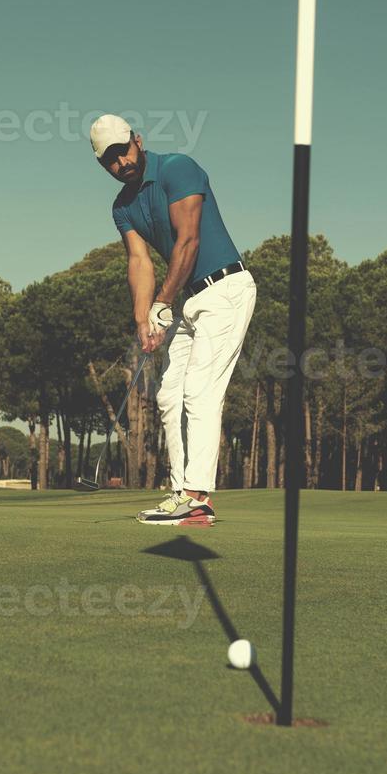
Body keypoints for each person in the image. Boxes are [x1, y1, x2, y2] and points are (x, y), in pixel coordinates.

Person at [90, 114, 257, 525]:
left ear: (138, 141)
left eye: (124, 150)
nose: (122, 162)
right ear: (102, 165)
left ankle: (198, 499)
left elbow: (189, 239)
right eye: (110, 159)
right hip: (190, 301)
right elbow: (139, 261)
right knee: (169, 395)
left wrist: (162, 303)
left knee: (200, 391)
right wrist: (145, 318)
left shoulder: (177, 168)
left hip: (226, 289)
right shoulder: (122, 207)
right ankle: (181, 490)